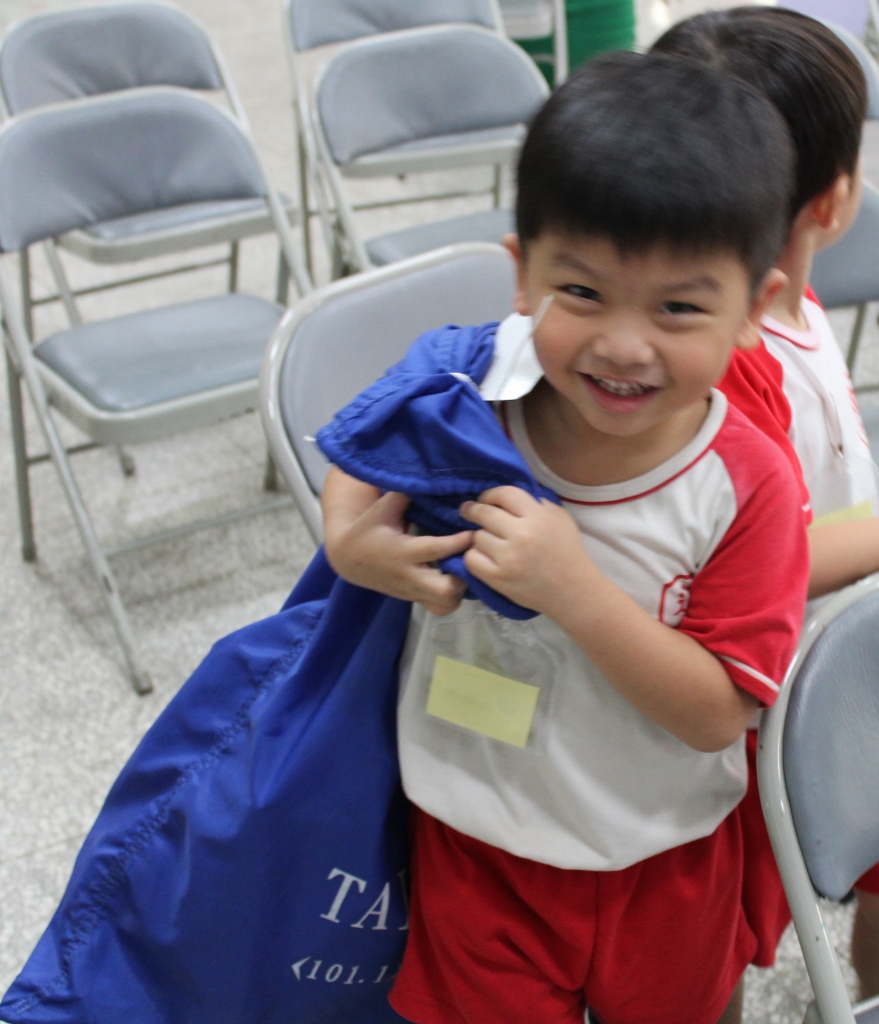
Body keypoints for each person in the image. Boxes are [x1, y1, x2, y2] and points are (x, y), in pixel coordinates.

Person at [321, 51, 808, 1024]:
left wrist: (573, 588)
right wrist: (349, 541)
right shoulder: (471, 387)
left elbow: (720, 713)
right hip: (473, 846)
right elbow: (366, 435)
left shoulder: (746, 484)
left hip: (663, 858)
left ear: (754, 309)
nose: (624, 344)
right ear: (521, 274)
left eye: (678, 307)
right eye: (581, 292)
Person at [654, 7, 879, 1002]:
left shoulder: (795, 308)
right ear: (838, 199)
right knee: (721, 939)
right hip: (765, 694)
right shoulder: (727, 361)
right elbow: (765, 557)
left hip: (834, 648)